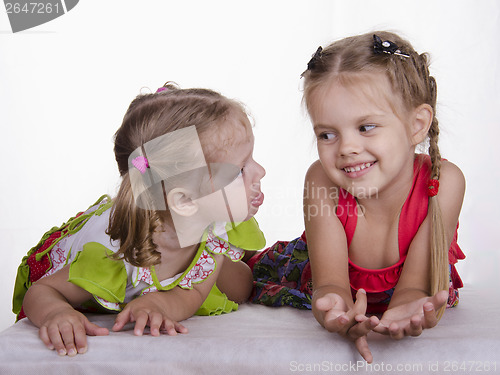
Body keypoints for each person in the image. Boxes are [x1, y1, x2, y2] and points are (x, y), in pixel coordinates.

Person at [249, 31, 465, 363]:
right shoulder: (321, 181)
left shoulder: (443, 183)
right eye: (327, 134)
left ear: (417, 125)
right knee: (242, 277)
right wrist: (333, 311)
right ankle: (207, 258)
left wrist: (408, 305)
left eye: (366, 127)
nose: (347, 148)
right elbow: (330, 284)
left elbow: (415, 287)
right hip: (313, 267)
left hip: (412, 284)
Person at [12, 83, 266, 357]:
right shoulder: (112, 253)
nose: (261, 171)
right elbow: (41, 291)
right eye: (240, 170)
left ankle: (196, 268)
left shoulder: (213, 222)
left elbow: (193, 295)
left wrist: (161, 304)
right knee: (236, 281)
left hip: (181, 235)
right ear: (185, 201)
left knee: (242, 286)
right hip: (82, 261)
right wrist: (56, 312)